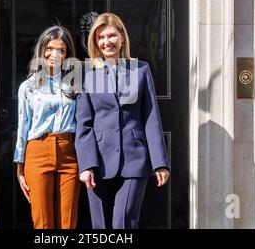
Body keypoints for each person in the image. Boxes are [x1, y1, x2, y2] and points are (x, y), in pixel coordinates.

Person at [75, 12, 170, 229]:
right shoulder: (86, 73)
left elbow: (151, 117)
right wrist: (86, 165)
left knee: (123, 223)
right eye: (100, 37)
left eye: (111, 35)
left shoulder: (140, 69)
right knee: (100, 226)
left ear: (122, 37)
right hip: (97, 160)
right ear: (95, 42)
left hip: (134, 157)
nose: (106, 42)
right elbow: (84, 123)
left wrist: (160, 162)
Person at [13, 25, 80, 229]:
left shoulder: (75, 85)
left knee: (68, 222)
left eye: (62, 50)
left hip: (69, 151)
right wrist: (20, 167)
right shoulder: (28, 86)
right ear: (42, 50)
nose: (55, 54)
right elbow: (23, 126)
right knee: (42, 222)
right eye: (50, 48)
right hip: (37, 151)